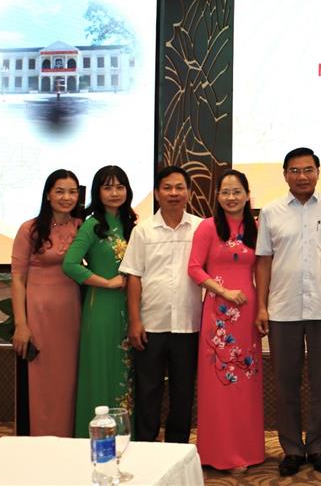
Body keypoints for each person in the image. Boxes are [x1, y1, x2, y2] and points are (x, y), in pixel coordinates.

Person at [255, 147, 321, 477]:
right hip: (283, 309)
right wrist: (262, 305)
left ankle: (318, 447)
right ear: (285, 174)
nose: (302, 176)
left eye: (308, 170)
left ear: (318, 172)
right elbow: (264, 261)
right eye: (295, 171)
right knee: (286, 384)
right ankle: (292, 450)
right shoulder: (270, 211)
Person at [187, 169, 265, 472]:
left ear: (247, 195)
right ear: (217, 196)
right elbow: (194, 268)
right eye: (225, 192)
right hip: (218, 314)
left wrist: (263, 307)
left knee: (246, 382)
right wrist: (224, 292)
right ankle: (218, 453)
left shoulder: (256, 228)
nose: (231, 197)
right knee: (219, 384)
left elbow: (263, 269)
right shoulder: (208, 227)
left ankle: (247, 451)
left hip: (247, 313)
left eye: (237, 192)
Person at [120, 165, 202, 444]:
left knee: (183, 391)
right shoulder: (143, 231)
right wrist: (135, 321)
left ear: (189, 192)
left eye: (180, 187)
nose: (173, 193)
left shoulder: (201, 228)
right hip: (151, 324)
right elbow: (134, 277)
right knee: (148, 389)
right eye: (167, 187)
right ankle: (145, 443)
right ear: (157, 193)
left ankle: (177, 446)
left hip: (189, 324)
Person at [62, 165, 136, 438]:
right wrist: (106, 282)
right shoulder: (92, 225)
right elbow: (70, 264)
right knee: (101, 369)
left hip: (130, 307)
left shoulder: (132, 225)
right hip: (101, 307)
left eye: (120, 187)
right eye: (107, 187)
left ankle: (126, 436)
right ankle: (97, 438)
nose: (115, 193)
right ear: (98, 192)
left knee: (126, 371)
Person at [11, 169, 83, 436]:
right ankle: (42, 440)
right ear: (48, 195)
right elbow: (17, 279)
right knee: (42, 379)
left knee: (69, 379)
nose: (66, 197)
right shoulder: (29, 229)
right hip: (39, 314)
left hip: (72, 313)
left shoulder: (81, 227)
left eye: (72, 192)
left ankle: (68, 437)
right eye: (60, 191)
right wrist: (21, 324)